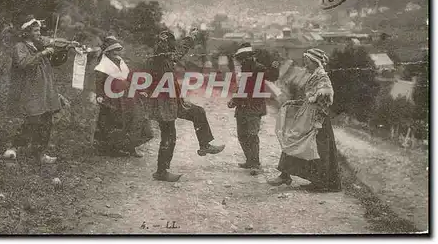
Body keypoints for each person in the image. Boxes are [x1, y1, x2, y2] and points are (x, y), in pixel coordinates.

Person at [145, 28, 225, 182]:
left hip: (174, 101)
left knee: (198, 112)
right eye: (169, 45)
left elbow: (178, 52)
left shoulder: (166, 57)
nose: (171, 49)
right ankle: (161, 171)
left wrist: (189, 37)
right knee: (169, 137)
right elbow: (167, 52)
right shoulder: (158, 59)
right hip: (163, 105)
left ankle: (204, 144)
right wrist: (162, 41)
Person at [267, 48, 342, 192]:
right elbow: (310, 99)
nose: (306, 65)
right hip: (309, 115)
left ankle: (320, 183)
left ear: (315, 62)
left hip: (317, 120)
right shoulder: (315, 75)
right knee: (297, 142)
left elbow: (325, 101)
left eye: (308, 62)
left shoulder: (322, 77)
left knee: (317, 149)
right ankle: (287, 175)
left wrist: (318, 121)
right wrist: (294, 103)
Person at [8, 15, 69, 164]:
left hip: (45, 89)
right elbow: (24, 63)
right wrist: (42, 53)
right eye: (35, 30)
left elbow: (53, 63)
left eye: (39, 30)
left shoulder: (39, 45)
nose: (39, 33)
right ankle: (14, 148)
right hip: (30, 89)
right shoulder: (20, 47)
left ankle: (40, 153)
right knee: (32, 119)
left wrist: (63, 51)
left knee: (46, 121)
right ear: (26, 32)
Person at [93, 36, 154, 157]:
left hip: (128, 96)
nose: (117, 52)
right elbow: (99, 82)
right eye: (114, 50)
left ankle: (130, 147)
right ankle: (114, 149)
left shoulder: (120, 61)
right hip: (113, 98)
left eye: (118, 50)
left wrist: (140, 90)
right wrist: (99, 95)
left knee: (136, 119)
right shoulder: (102, 65)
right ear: (108, 52)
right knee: (117, 122)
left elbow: (129, 77)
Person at [227, 42, 280, 175]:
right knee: (242, 135)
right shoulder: (244, 70)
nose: (241, 60)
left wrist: (275, 67)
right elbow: (242, 88)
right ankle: (250, 160)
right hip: (243, 107)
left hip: (254, 107)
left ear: (249, 57)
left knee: (252, 135)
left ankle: (255, 164)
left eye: (244, 57)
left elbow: (272, 77)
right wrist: (234, 100)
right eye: (241, 58)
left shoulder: (258, 68)